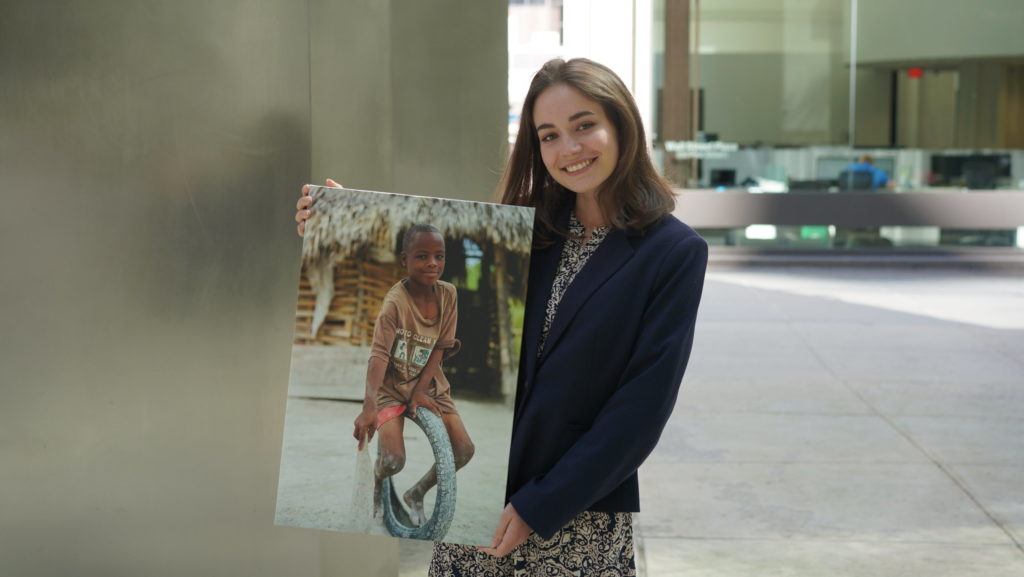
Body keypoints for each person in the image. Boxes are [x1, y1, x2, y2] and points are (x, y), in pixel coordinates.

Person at [296, 58, 708, 576]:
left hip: (574, 517)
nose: (569, 149)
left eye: (584, 126)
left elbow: (640, 410)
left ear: (622, 125)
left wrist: (541, 507)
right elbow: (418, 246)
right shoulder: (526, 232)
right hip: (481, 512)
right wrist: (332, 213)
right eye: (549, 136)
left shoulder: (673, 252)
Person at [351, 223, 475, 526]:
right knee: (394, 461)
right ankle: (379, 483)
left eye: (439, 256)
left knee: (463, 450)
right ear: (403, 259)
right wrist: (369, 407)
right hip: (391, 388)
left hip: (430, 385)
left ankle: (416, 493)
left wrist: (421, 391)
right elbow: (379, 354)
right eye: (422, 256)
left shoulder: (449, 295)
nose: (432, 264)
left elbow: (440, 348)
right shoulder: (395, 303)